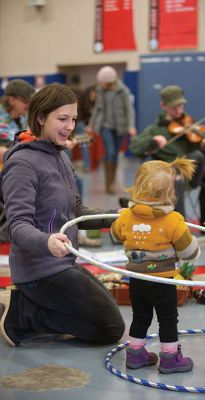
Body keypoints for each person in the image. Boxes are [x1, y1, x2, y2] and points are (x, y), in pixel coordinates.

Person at [0, 83, 125, 347]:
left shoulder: (60, 156)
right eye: (62, 119)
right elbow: (17, 226)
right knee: (111, 328)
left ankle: (31, 308)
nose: (70, 126)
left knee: (107, 314)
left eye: (74, 119)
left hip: (63, 263)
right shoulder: (22, 164)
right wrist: (46, 241)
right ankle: (23, 315)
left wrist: (118, 216)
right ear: (41, 117)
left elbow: (77, 211)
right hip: (38, 272)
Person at [111, 157, 200, 374]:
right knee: (167, 319)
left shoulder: (126, 217)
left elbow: (115, 234)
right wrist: (192, 242)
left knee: (140, 316)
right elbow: (189, 253)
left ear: (137, 187)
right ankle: (170, 358)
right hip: (162, 281)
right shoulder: (173, 220)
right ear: (170, 193)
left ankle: (135, 354)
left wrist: (122, 219)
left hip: (137, 280)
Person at [129, 85, 205, 223]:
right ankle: (178, 224)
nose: (178, 110)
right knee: (177, 179)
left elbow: (199, 160)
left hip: (192, 174)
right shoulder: (155, 129)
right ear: (163, 106)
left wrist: (204, 147)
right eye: (173, 107)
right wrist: (153, 141)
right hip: (168, 175)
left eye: (181, 106)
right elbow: (135, 147)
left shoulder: (191, 125)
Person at [88, 66, 137, 193]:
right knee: (109, 152)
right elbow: (97, 109)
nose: (100, 84)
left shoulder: (123, 91)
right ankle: (108, 184)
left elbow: (129, 110)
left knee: (115, 154)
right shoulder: (100, 91)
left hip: (120, 127)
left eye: (102, 81)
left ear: (109, 81)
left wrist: (131, 126)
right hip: (105, 126)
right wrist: (91, 125)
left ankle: (112, 182)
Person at [0, 79, 35, 242]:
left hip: (15, 168)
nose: (28, 105)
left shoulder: (23, 120)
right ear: (11, 99)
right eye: (25, 101)